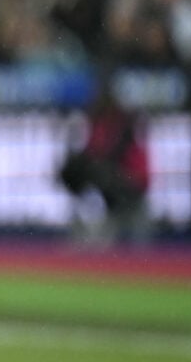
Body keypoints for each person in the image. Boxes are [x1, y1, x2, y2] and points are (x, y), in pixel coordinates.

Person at [59, 82, 151, 245]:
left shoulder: (123, 125)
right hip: (111, 177)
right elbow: (92, 153)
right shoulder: (98, 123)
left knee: (102, 175)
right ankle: (88, 231)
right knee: (82, 172)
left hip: (129, 180)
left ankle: (104, 232)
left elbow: (121, 157)